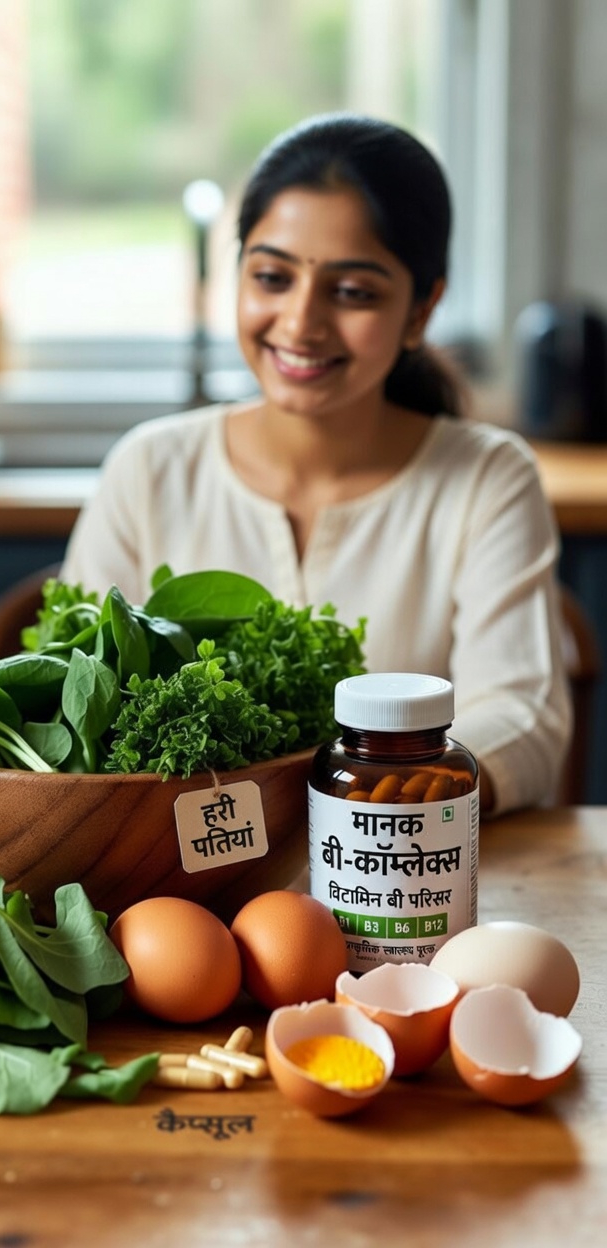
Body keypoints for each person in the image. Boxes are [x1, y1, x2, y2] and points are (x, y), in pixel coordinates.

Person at [61, 112, 572, 816]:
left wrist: (384, 799)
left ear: (421, 310)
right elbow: (76, 699)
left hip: (406, 874)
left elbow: (524, 719)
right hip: (179, 874)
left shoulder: (487, 478)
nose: (301, 323)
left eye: (354, 292)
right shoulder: (148, 470)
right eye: (272, 277)